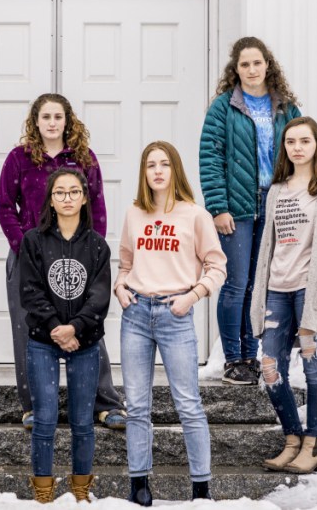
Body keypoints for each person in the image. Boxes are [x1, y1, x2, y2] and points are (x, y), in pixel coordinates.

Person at [0, 93, 126, 431]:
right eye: (45, 117)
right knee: (27, 329)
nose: (52, 123)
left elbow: (96, 205)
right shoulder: (18, 158)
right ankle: (35, 407)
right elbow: (4, 207)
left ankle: (104, 402)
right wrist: (22, 245)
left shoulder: (84, 158)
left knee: (88, 322)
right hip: (29, 257)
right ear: (35, 122)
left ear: (67, 120)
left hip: (77, 256)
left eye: (58, 117)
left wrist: (93, 249)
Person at [115, 141, 226, 505]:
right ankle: (139, 484)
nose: (158, 171)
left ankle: (201, 487)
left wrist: (192, 296)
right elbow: (126, 263)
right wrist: (120, 286)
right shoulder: (134, 213)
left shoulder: (194, 215)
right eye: (151, 165)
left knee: (188, 404)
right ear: (144, 173)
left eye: (164, 164)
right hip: (135, 315)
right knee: (137, 405)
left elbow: (216, 266)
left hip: (174, 314)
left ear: (175, 170)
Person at [199, 36, 301, 385]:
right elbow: (210, 159)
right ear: (236, 69)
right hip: (237, 208)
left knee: (261, 286)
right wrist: (218, 207)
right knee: (236, 283)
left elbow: (303, 150)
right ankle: (233, 359)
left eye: (257, 63)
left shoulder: (285, 107)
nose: (252, 69)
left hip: (275, 204)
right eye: (245, 64)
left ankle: (251, 355)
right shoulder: (223, 107)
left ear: (267, 65)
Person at [251, 117, 317, 475]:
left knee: (313, 367)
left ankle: (312, 446)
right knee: (270, 368)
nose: (297, 147)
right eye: (291, 141)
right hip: (277, 289)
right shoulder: (277, 189)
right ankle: (292, 439)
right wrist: (259, 292)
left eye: (305, 141)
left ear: (316, 146)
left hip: (311, 291)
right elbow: (269, 246)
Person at [19, 169, 111, 503]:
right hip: (44, 340)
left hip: (85, 342)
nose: (68, 198)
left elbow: (99, 297)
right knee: (44, 419)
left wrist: (76, 328)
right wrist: (58, 327)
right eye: (60, 193)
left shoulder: (97, 245)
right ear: (51, 200)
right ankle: (43, 493)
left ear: (85, 198)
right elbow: (30, 292)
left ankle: (80, 492)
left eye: (74, 192)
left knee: (82, 422)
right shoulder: (34, 241)